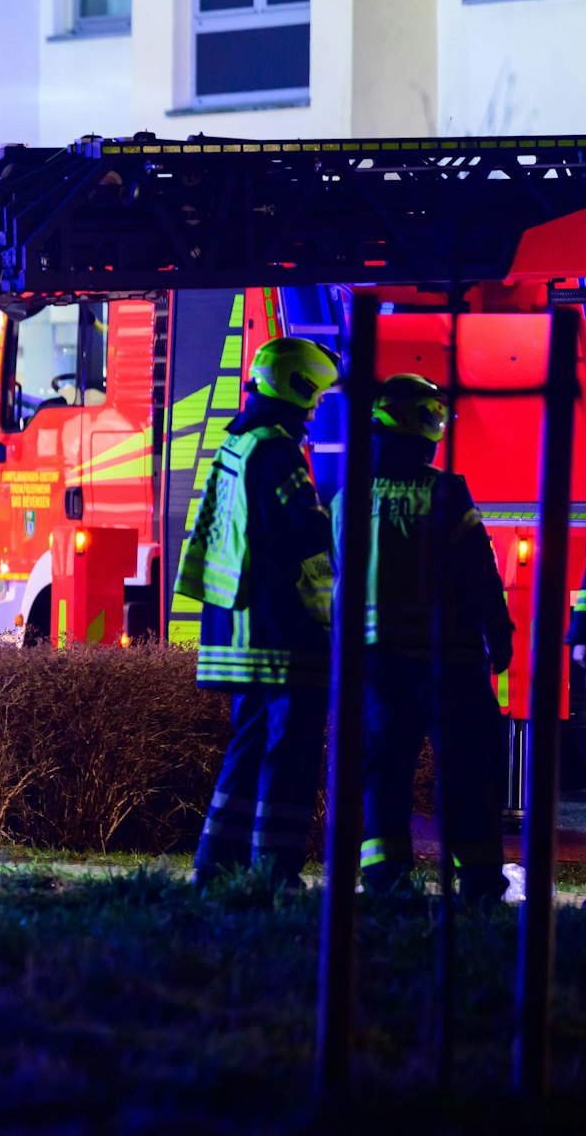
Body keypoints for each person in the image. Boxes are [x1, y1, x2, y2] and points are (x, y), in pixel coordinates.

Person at [337, 375, 513, 903]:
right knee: (467, 766)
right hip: (447, 660)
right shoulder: (444, 492)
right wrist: (498, 632)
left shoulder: (350, 497)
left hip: (373, 663)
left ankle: (386, 879)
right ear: (414, 425)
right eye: (433, 418)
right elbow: (478, 570)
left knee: (383, 770)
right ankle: (479, 880)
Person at [176, 337, 339, 890]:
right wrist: (339, 515)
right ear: (297, 391)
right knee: (289, 752)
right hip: (279, 630)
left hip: (237, 626)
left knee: (246, 748)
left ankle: (216, 863)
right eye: (314, 400)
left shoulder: (238, 444)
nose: (315, 412)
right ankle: (275, 871)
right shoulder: (277, 451)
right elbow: (304, 531)